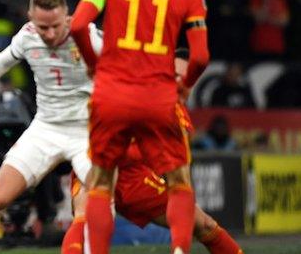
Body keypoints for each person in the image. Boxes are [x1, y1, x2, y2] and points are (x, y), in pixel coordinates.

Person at [70, 0, 210, 253]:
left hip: (111, 94)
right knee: (179, 181)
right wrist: (186, 83)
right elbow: (201, 56)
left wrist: (92, 64)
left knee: (100, 183)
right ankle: (179, 249)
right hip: (158, 97)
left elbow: (76, 25)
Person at [0, 0, 102, 254]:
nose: (50, 34)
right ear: (30, 17)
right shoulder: (27, 37)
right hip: (45, 130)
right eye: (43, 27)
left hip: (86, 131)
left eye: (55, 26)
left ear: (67, 16)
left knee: (92, 208)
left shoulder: (89, 36)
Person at [62, 54, 243, 254]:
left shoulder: (179, 116)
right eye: (173, 75)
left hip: (135, 179)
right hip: (97, 163)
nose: (177, 82)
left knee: (205, 225)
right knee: (83, 216)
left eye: (184, 78)